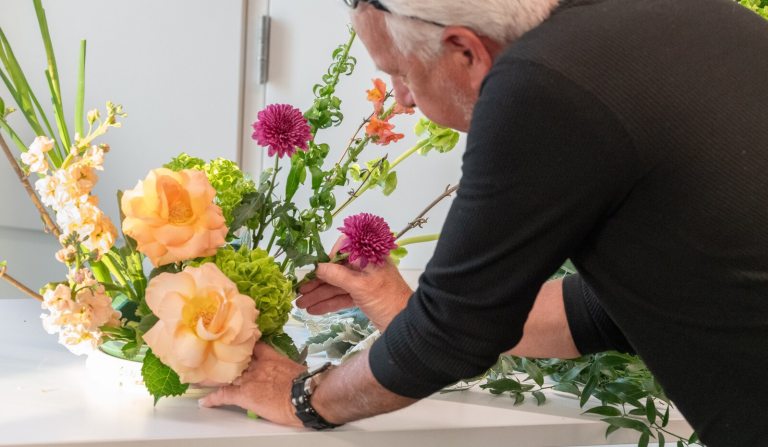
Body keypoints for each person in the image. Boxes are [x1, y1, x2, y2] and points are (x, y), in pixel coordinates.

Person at [200, 0, 768, 444]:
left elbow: (449, 339)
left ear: (465, 51)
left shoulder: (541, 84)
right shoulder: (692, 20)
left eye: (399, 73)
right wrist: (414, 310)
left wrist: (305, 397)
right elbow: (615, 306)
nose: (399, 101)